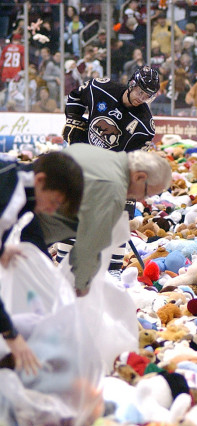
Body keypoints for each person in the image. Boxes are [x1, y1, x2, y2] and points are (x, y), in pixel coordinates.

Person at [37, 144, 171, 297]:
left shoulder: (101, 155)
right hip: (27, 223)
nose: (141, 199)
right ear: (140, 177)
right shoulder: (114, 189)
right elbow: (88, 246)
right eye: (146, 193)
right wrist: (80, 286)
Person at [0, 152, 84, 376]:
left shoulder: (22, 188)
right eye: (54, 202)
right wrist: (12, 336)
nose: (52, 211)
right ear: (40, 181)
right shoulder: (10, 194)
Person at [62, 65, 159, 152]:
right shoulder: (101, 88)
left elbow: (134, 160)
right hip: (84, 149)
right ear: (132, 84)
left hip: (107, 167)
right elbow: (76, 96)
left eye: (147, 96)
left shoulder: (145, 126)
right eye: (140, 92)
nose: (141, 99)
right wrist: (73, 119)